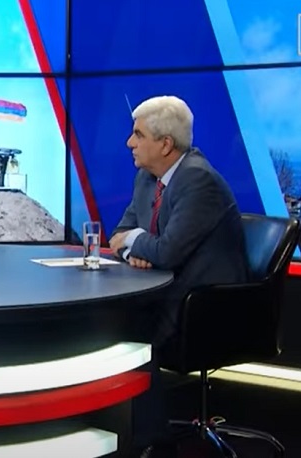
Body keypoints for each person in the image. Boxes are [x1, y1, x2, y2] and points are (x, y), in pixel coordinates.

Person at [107, 95, 248, 457]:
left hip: (207, 307)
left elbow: (167, 251)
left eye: (138, 135)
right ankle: (132, 430)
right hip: (171, 294)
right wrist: (135, 248)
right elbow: (118, 234)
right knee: (111, 321)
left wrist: (137, 241)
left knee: (126, 329)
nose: (129, 142)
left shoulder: (198, 180)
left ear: (165, 144)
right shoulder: (146, 178)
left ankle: (153, 441)